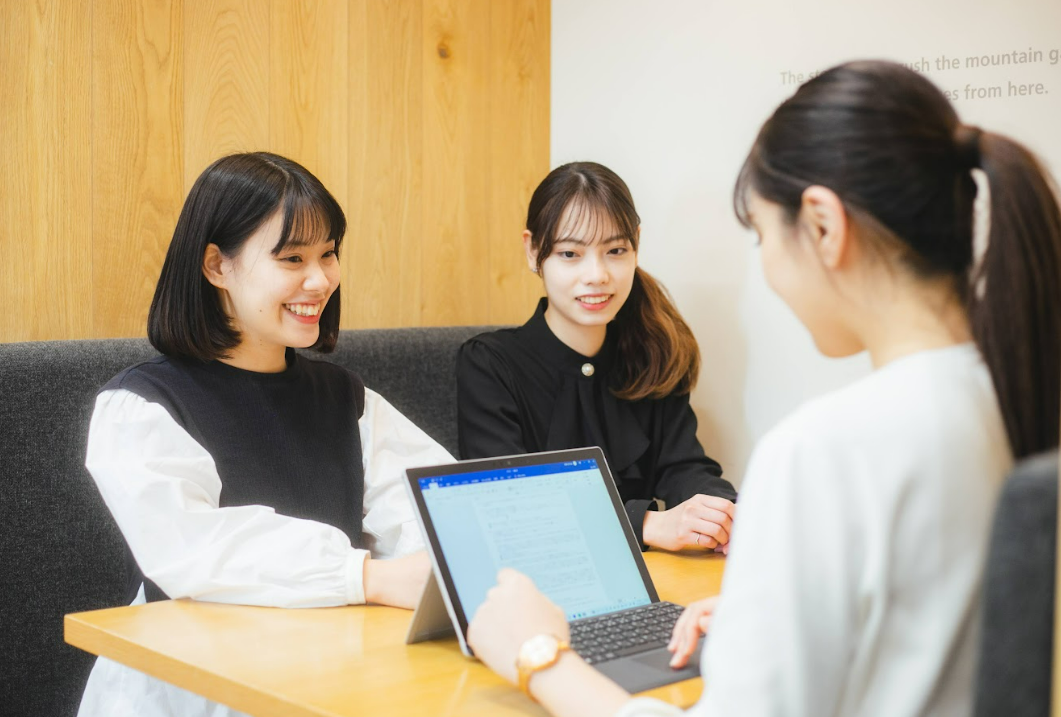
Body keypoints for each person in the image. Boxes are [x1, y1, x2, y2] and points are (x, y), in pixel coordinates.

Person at [465, 60, 1061, 717]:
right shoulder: (1013, 395)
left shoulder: (820, 451)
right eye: (571, 254)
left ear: (824, 226)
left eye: (760, 235)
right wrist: (785, 608)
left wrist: (539, 656)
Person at [77, 152, 453, 717]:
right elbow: (192, 551)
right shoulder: (141, 406)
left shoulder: (345, 399)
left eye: (328, 254)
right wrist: (366, 575)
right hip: (195, 690)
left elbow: (432, 501)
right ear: (216, 266)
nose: (321, 279)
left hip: (327, 669)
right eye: (292, 258)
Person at [457, 162, 737, 553]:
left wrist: (720, 512)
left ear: (636, 245)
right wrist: (646, 524)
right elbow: (513, 504)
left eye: (616, 251)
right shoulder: (489, 364)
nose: (597, 274)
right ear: (533, 250)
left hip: (652, 582)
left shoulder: (653, 350)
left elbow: (685, 467)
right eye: (571, 253)